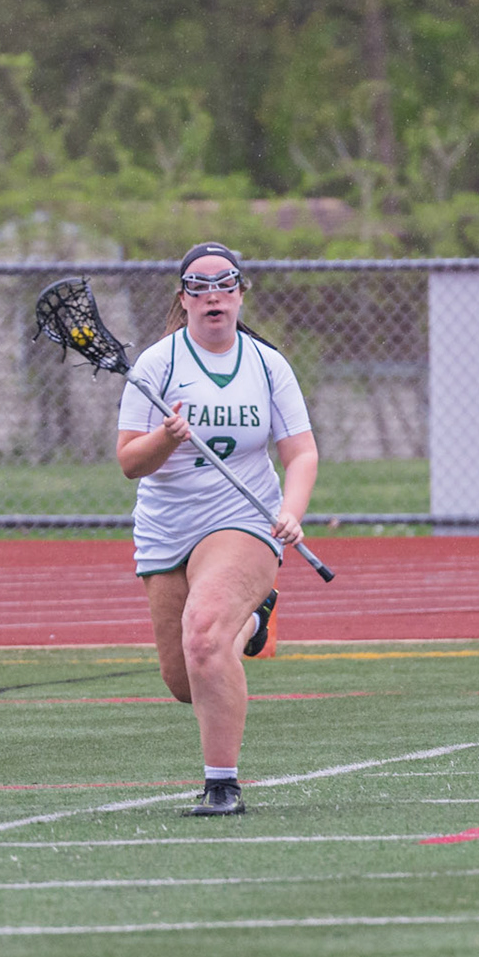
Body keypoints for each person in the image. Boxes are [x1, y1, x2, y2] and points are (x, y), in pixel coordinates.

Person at [117, 242, 318, 816]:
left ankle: (222, 786)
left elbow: (301, 452)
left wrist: (292, 511)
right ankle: (254, 619)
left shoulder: (267, 364)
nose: (213, 297)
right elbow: (130, 461)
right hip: (166, 529)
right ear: (183, 299)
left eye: (224, 285)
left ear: (240, 294)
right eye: (199, 287)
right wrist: (166, 438)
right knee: (187, 680)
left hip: (243, 519)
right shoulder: (157, 365)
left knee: (204, 635)